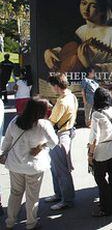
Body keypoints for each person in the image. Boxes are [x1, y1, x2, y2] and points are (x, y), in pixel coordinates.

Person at [1, 97, 58, 229]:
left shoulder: (16, 120)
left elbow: (6, 142)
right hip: (34, 167)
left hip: (15, 165)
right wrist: (41, 145)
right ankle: (31, 224)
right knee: (32, 196)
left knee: (15, 193)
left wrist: (3, 153)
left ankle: (9, 223)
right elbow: (54, 142)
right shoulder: (43, 124)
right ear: (41, 111)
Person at [44, 0, 112, 73]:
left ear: (102, 11)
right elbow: (70, 51)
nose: (86, 9)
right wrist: (52, 52)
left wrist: (89, 65)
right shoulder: (81, 30)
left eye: (93, 6)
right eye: (83, 3)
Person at [45, 74, 78, 211]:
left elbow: (50, 123)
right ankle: (59, 194)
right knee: (56, 168)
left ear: (56, 86)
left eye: (52, 86)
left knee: (61, 170)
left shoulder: (62, 102)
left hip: (60, 136)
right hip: (67, 132)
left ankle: (66, 199)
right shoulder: (71, 96)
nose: (51, 88)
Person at [87, 88, 112, 217]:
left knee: (100, 179)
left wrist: (90, 154)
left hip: (102, 151)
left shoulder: (96, 114)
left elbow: (94, 138)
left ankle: (106, 207)